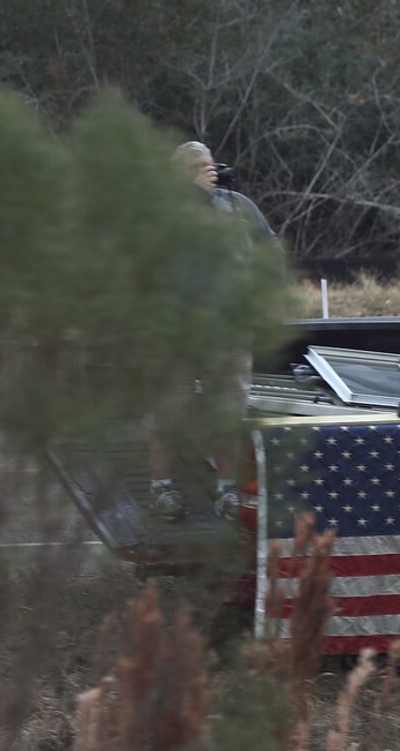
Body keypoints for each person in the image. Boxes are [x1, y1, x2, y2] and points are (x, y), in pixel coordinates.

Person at [149, 141, 278, 522]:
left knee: (228, 412)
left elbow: (269, 248)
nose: (209, 173)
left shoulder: (238, 206)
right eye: (196, 167)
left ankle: (226, 489)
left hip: (227, 328)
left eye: (210, 165)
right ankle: (162, 488)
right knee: (166, 410)